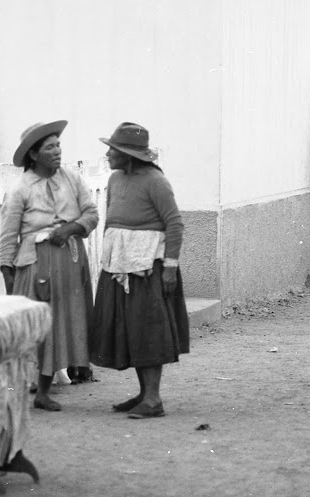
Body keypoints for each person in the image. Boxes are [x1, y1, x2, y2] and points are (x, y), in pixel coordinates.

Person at [90, 122, 190, 419]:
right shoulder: (116, 180)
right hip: (120, 266)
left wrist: (169, 268)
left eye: (113, 149)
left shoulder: (155, 182)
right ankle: (144, 394)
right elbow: (112, 219)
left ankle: (154, 399)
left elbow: (175, 224)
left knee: (148, 331)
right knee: (129, 329)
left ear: (128, 154)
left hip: (149, 268)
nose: (108, 154)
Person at [0, 120, 99, 412]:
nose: (57, 151)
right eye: (49, 147)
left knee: (61, 322)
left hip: (68, 260)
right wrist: (8, 274)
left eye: (58, 145)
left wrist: (70, 229)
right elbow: (8, 236)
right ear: (34, 154)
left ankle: (46, 389)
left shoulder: (71, 179)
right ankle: (27, 389)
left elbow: (91, 214)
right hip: (35, 264)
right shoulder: (20, 189)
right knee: (37, 326)